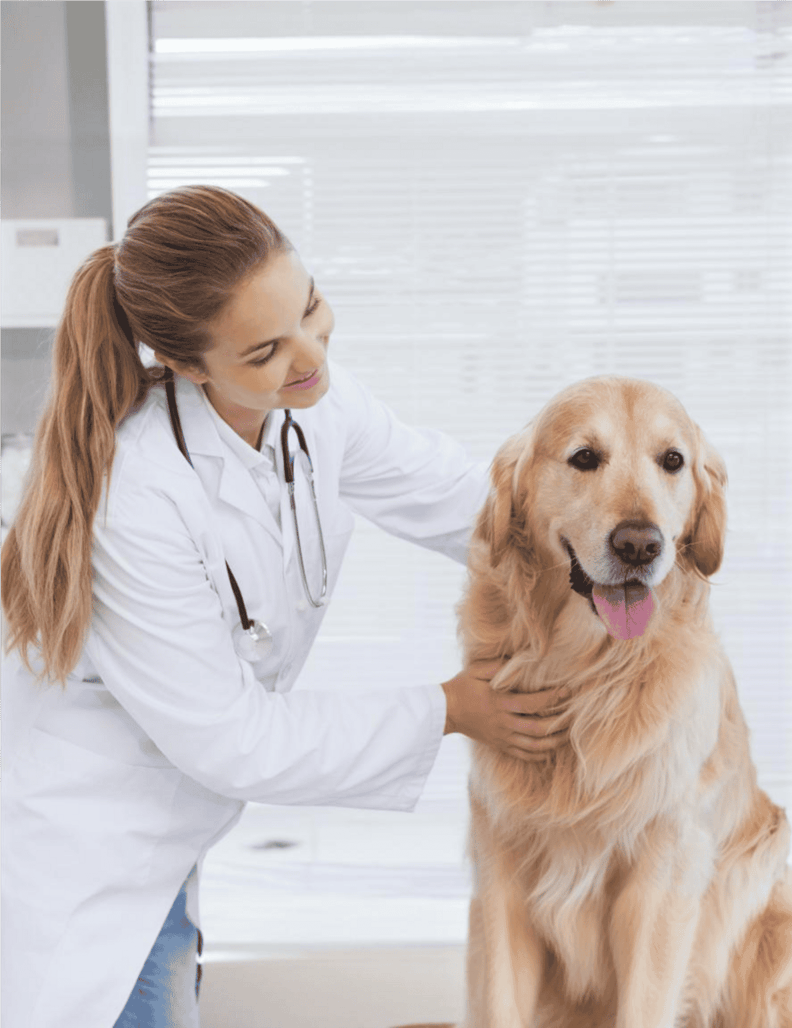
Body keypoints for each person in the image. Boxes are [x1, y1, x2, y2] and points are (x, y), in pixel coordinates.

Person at [0, 185, 569, 1028]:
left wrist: (600, 534)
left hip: (173, 831)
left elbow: (463, 502)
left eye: (309, 307)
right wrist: (448, 709)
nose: (310, 356)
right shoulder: (138, 496)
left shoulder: (312, 405)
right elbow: (235, 738)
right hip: (88, 854)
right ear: (190, 366)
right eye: (266, 349)